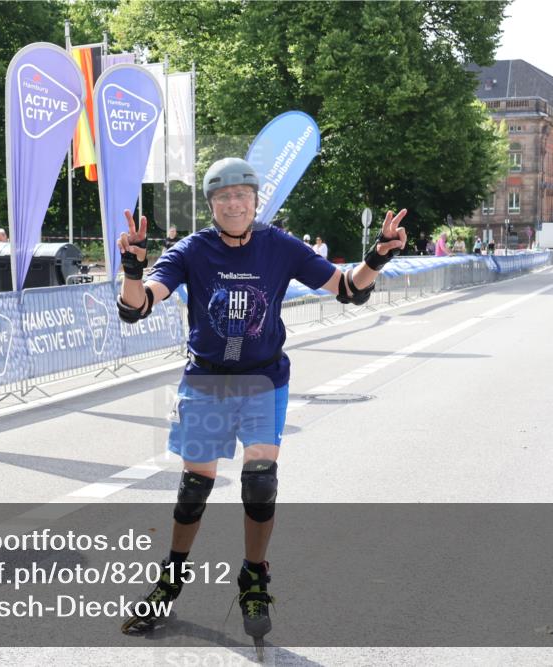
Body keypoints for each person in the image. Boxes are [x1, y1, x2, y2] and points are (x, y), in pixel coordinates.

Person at [115, 157, 407, 648]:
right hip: (206, 380)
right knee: (194, 487)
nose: (234, 204)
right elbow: (137, 307)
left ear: (255, 202)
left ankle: (254, 578)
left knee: (259, 480)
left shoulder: (279, 246)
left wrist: (376, 258)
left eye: (242, 196)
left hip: (261, 380)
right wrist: (131, 269)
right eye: (223, 197)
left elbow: (349, 292)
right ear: (212, 205)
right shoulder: (192, 250)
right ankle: (171, 579)